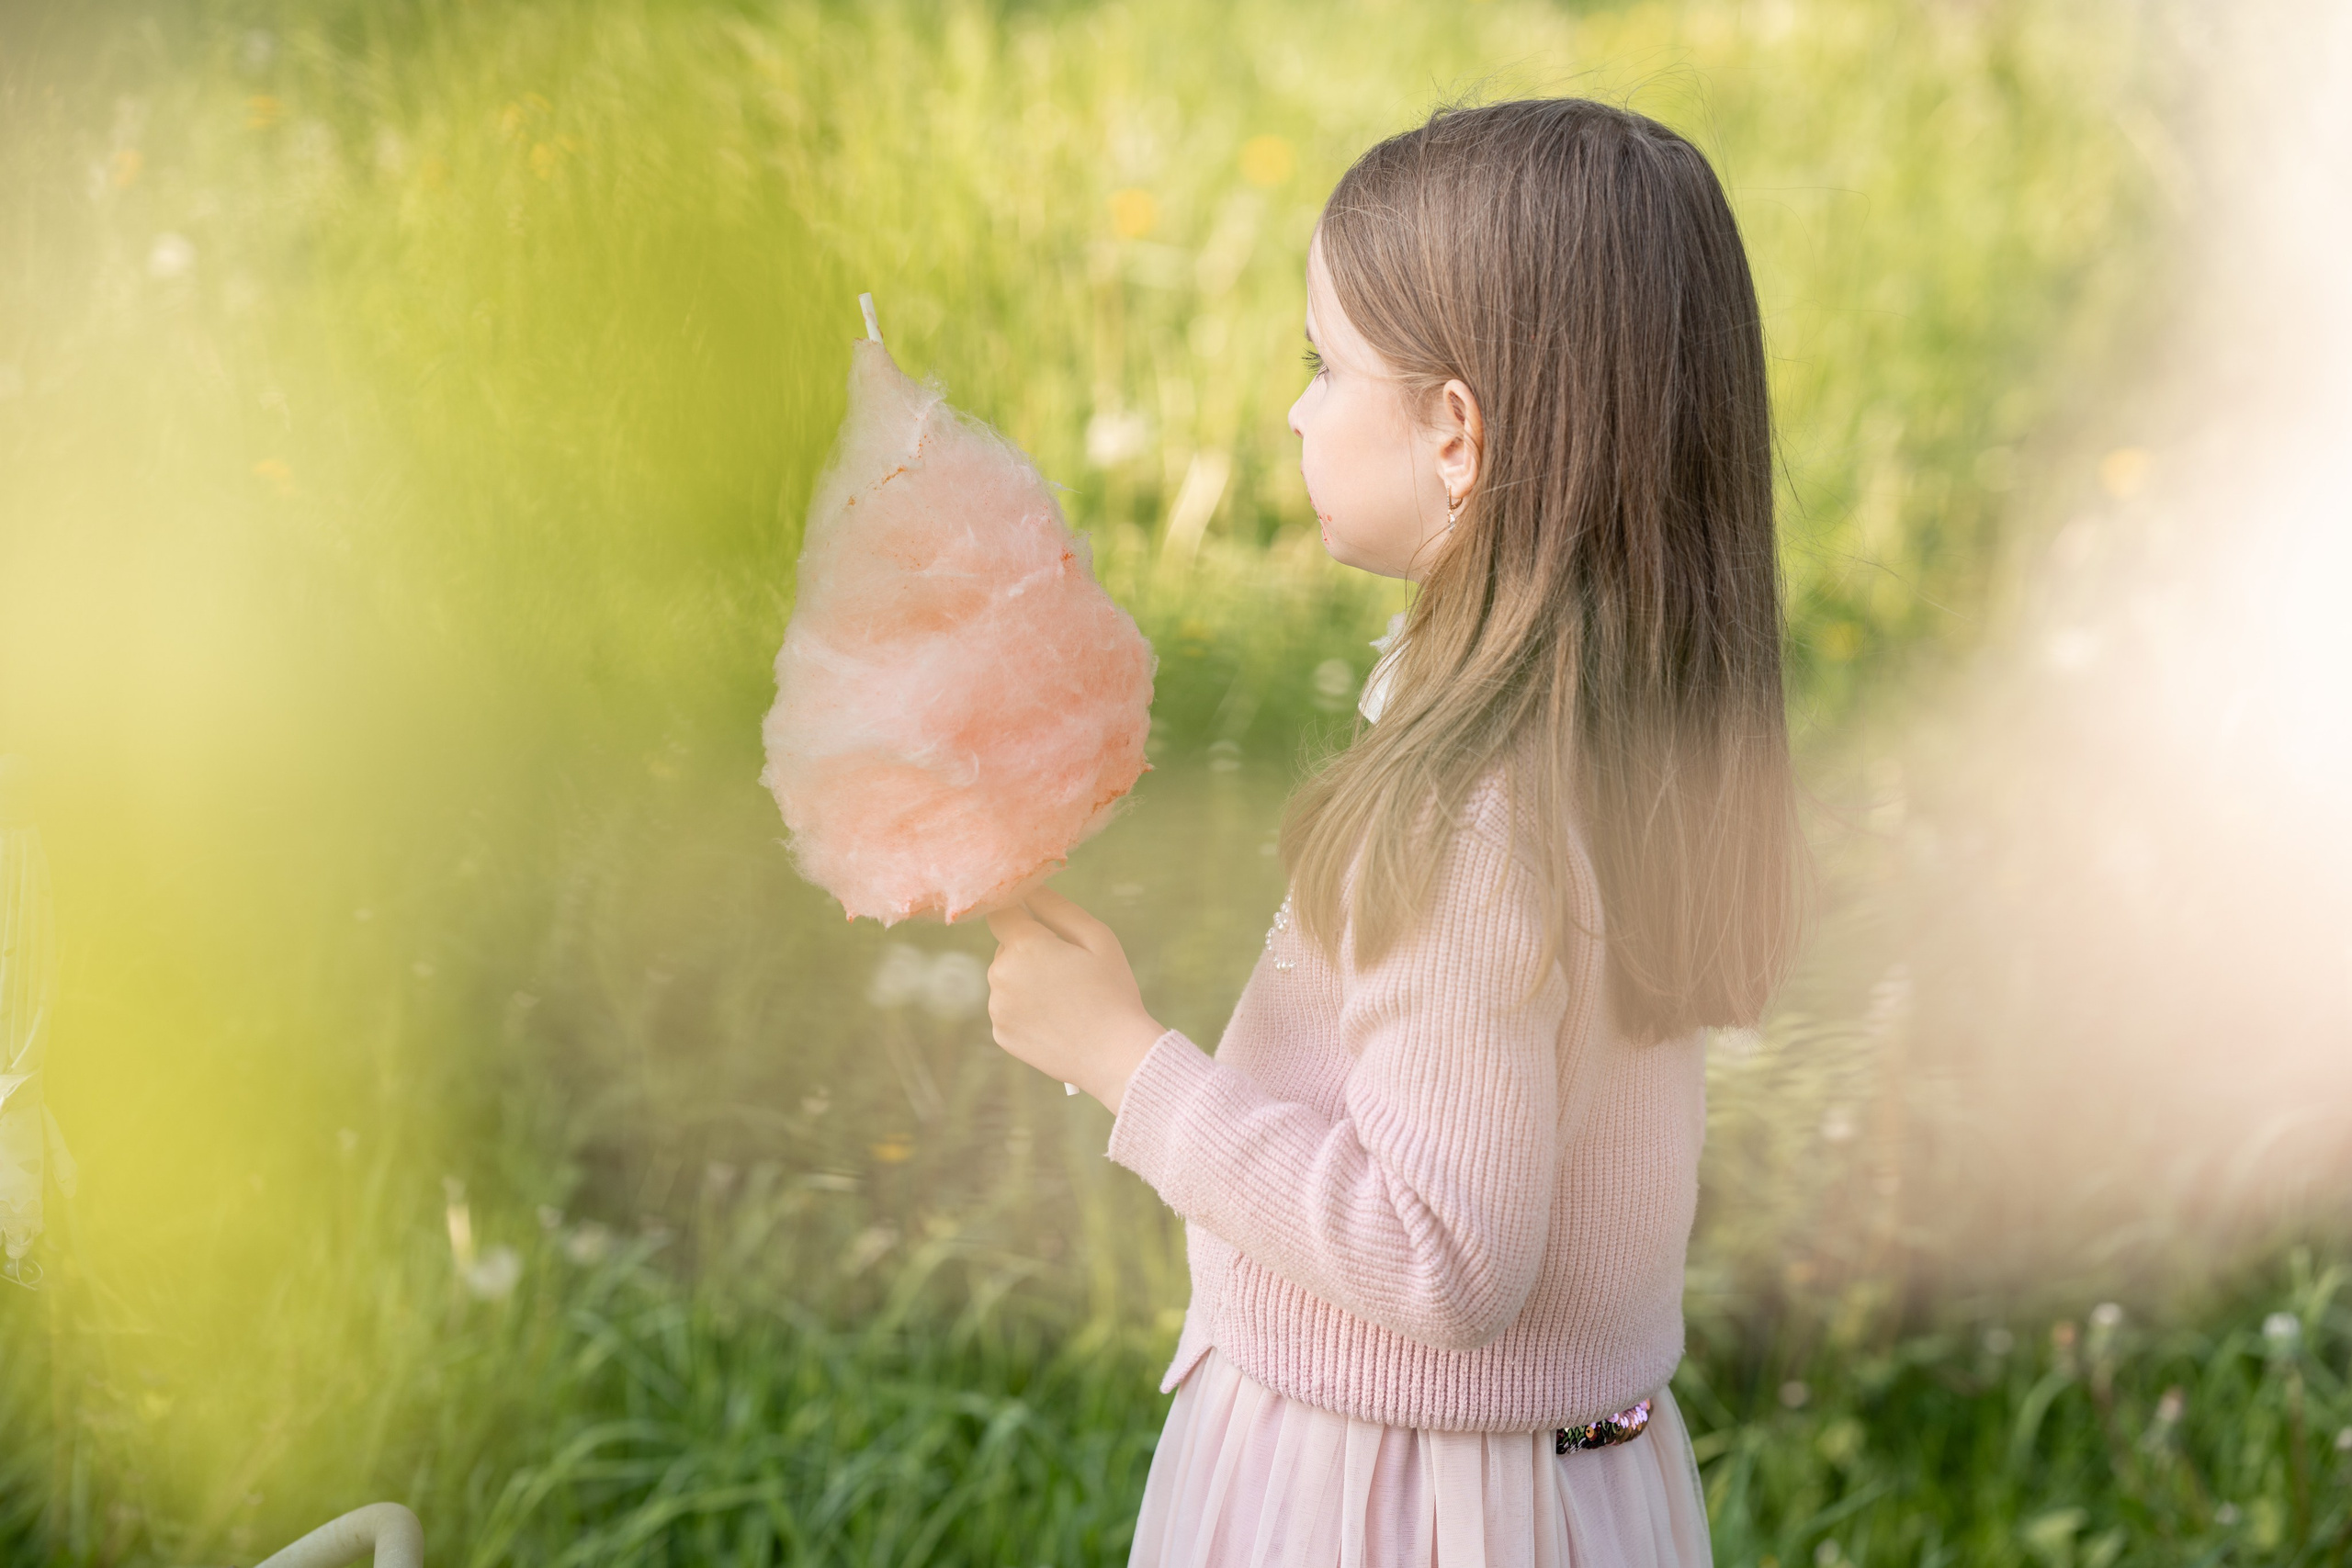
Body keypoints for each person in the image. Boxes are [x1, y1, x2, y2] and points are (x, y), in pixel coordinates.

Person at [984, 96, 1804, 1568]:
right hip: (1573, 1486)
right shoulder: (1623, 732)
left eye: (1324, 365)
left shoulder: (1472, 810)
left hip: (1389, 1503)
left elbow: (1440, 1258)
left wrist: (1121, 1058)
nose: (1298, 412)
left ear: (1456, 435)